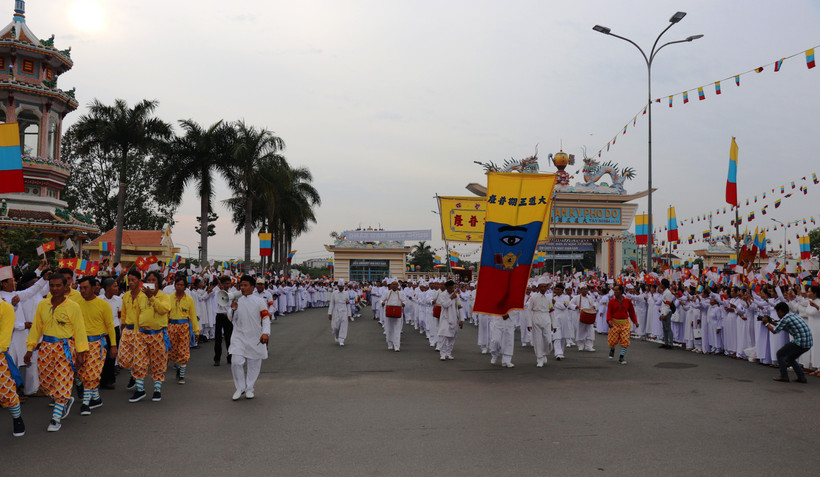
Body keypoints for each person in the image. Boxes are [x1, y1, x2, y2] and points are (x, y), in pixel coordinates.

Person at [25, 274, 88, 432]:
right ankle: (65, 400)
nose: (54, 289)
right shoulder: (42, 304)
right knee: (46, 383)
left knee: (62, 380)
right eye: (52, 285)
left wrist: (81, 352)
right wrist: (30, 348)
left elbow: (80, 330)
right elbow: (36, 328)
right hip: (46, 348)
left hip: (65, 348)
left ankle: (56, 418)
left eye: (58, 285)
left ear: (66, 287)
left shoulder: (73, 306)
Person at [76, 276, 117, 416]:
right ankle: (97, 399)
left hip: (97, 344)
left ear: (94, 288)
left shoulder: (103, 305)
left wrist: (113, 345)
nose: (82, 291)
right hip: (80, 344)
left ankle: (85, 404)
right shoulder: (77, 304)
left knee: (90, 373)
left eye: (85, 287)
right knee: (82, 373)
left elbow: (110, 326)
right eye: (81, 288)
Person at [129, 271, 171, 403]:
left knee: (158, 363)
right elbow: (137, 316)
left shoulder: (164, 297)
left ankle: (157, 390)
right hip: (141, 334)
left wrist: (152, 297)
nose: (151, 282)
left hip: (158, 334)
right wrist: (135, 333)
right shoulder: (141, 297)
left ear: (159, 283)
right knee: (138, 362)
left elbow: (163, 310)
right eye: (149, 280)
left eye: (154, 280)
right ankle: (140, 389)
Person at [229, 275, 271, 400]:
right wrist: (233, 309)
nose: (242, 288)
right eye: (241, 285)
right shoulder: (237, 301)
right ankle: (240, 387)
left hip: (254, 336)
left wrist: (265, 333)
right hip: (239, 336)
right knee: (236, 362)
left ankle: (249, 388)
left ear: (252, 287)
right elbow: (231, 318)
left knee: (254, 364)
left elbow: (265, 318)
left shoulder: (260, 301)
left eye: (245, 285)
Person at [761, 301, 813, 383]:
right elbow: (782, 327)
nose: (777, 314)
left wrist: (766, 323)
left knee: (780, 354)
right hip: (808, 343)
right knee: (790, 358)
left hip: (800, 342)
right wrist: (771, 322)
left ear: (780, 311)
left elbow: (774, 331)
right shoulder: (793, 315)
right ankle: (801, 377)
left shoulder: (786, 318)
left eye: (777, 312)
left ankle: (784, 376)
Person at [0, 294, 25, 436]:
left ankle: (17, 419)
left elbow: (4, 337)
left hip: (0, 355)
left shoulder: (5, 308)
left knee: (6, 393)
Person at [168, 276, 199, 384]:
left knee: (183, 351)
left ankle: (181, 375)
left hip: (184, 327)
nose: (179, 287)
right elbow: (165, 314)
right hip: (171, 326)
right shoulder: (169, 298)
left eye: (181, 285)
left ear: (185, 287)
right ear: (174, 285)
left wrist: (196, 331)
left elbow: (193, 315)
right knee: (172, 352)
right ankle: (178, 366)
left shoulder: (189, 299)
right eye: (177, 284)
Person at [525, 278, 555, 367]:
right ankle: (539, 358)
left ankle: (545, 353)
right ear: (538, 288)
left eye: (544, 287)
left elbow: (552, 311)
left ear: (547, 288)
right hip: (536, 317)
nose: (543, 288)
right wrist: (529, 323)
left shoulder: (549, 298)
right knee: (537, 340)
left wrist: (554, 324)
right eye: (541, 287)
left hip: (546, 318)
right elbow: (529, 310)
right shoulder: (533, 297)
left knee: (548, 340)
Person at [605, 285, 638, 365]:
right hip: (614, 323)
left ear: (621, 291)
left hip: (625, 323)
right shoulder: (611, 301)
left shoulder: (628, 301)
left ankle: (621, 357)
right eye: (614, 290)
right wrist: (609, 321)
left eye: (616, 290)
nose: (615, 292)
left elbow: (632, 312)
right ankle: (612, 349)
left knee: (625, 340)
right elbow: (609, 312)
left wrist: (635, 321)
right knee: (612, 341)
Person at [436, 280, 463, 361]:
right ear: (446, 288)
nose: (452, 289)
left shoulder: (456, 295)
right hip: (445, 318)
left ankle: (448, 353)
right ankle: (443, 354)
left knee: (452, 337)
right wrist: (451, 298)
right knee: (443, 336)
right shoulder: (442, 295)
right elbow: (445, 305)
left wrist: (461, 319)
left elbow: (460, 307)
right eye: (450, 288)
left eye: (453, 287)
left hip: (454, 318)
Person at [213, 276, 233, 366]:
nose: (228, 285)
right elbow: (219, 303)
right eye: (226, 283)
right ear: (222, 284)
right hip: (220, 315)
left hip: (228, 315)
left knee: (229, 338)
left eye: (229, 283)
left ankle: (230, 357)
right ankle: (217, 358)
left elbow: (230, 304)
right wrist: (221, 291)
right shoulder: (217, 292)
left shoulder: (232, 293)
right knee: (218, 338)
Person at [381, 279, 405, 352]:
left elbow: (405, 300)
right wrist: (382, 303)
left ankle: (397, 345)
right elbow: (381, 300)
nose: (394, 286)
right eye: (393, 284)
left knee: (397, 330)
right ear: (391, 285)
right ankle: (390, 344)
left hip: (397, 312)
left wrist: (404, 303)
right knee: (389, 329)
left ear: (398, 286)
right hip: (389, 312)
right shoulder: (387, 293)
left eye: (396, 284)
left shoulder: (401, 293)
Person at [328, 279, 351, 346]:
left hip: (344, 312)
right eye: (340, 287)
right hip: (336, 311)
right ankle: (337, 336)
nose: (341, 288)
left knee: (343, 326)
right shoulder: (334, 293)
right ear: (338, 286)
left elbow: (348, 304)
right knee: (335, 327)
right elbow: (331, 303)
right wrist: (330, 313)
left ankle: (341, 339)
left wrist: (349, 314)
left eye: (342, 287)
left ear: (344, 287)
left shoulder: (346, 293)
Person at [658, 279, 675, 349]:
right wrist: (661, 313)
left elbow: (668, 304)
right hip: (664, 312)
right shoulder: (664, 292)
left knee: (668, 328)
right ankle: (666, 342)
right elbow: (663, 304)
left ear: (663, 285)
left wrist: (665, 314)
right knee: (664, 328)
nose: (660, 285)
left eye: (661, 283)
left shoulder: (668, 293)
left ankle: (670, 343)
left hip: (667, 312)